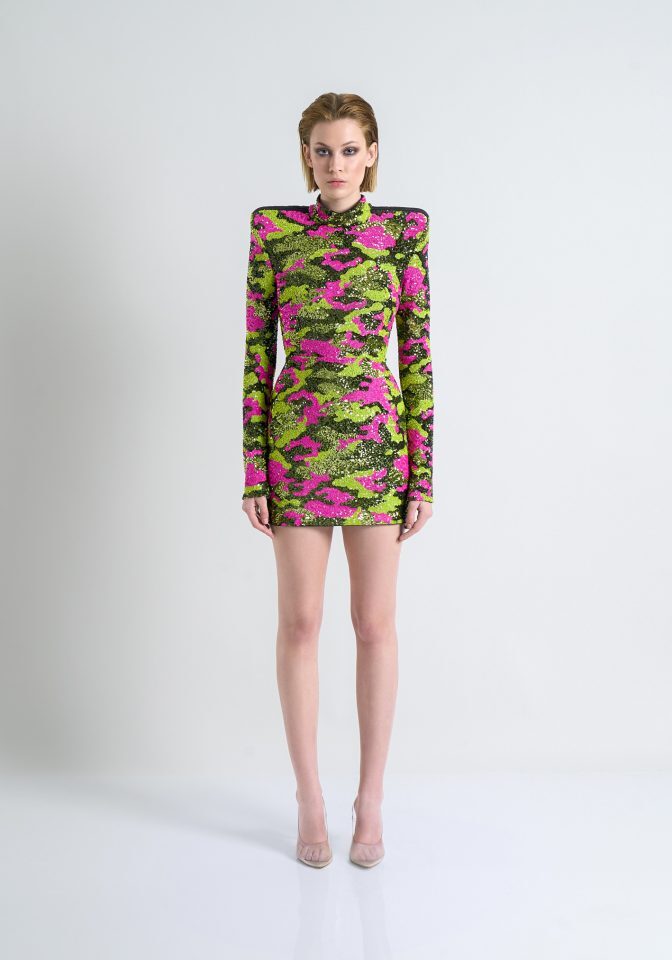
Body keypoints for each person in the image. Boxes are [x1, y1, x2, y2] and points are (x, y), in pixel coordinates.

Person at [240, 92, 434, 868]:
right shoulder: (274, 231)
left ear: (372, 153)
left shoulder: (403, 234)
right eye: (322, 150)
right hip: (296, 449)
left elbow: (415, 357)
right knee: (300, 623)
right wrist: (253, 468)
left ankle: (371, 797)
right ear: (306, 157)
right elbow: (257, 355)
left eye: (350, 149)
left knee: (375, 625)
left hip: (379, 451)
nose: (336, 164)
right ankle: (310, 796)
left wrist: (423, 473)